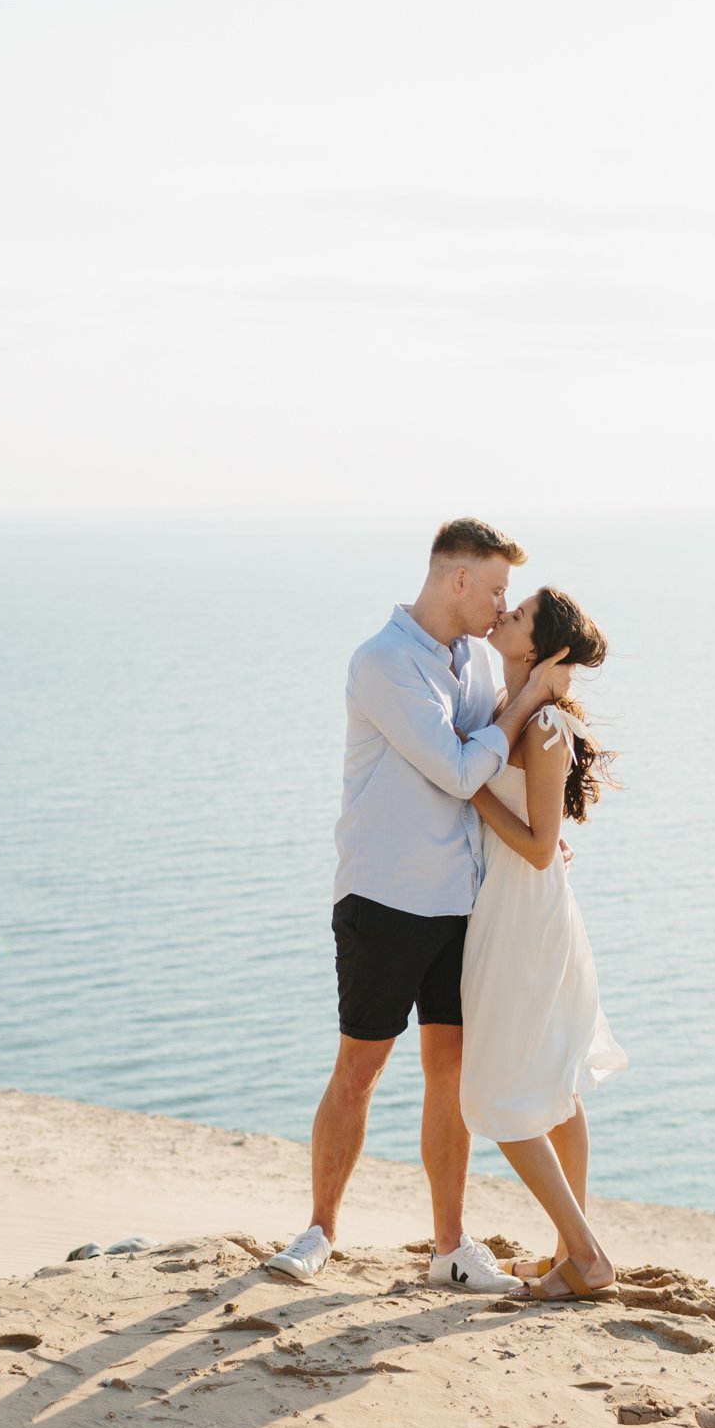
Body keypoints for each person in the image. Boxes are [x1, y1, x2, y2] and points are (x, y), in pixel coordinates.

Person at [266, 518, 575, 1290]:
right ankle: (320, 1230)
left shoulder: (474, 659)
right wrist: (527, 699)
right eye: (497, 587)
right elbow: (459, 768)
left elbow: (505, 761)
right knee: (360, 1068)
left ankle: (449, 1248)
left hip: (463, 900)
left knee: (452, 1070)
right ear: (456, 580)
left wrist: (542, 828)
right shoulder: (382, 662)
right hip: (385, 895)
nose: (502, 604)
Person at [461, 587, 628, 1301]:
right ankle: (567, 1248)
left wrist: (469, 789)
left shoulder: (545, 726)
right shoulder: (521, 713)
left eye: (520, 613)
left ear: (542, 648)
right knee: (555, 1092)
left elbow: (535, 848)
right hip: (510, 910)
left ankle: (587, 1257)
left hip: (526, 918)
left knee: (499, 1093)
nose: (504, 614)